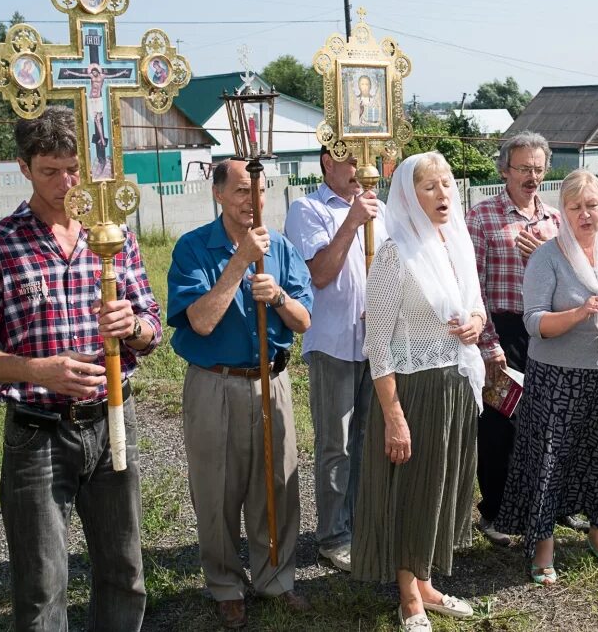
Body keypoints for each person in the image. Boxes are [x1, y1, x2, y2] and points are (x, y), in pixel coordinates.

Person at [0, 105, 162, 631]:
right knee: (43, 583)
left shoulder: (112, 235)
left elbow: (152, 327)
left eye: (74, 168)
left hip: (113, 420)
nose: (67, 182)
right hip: (38, 433)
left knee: (125, 568)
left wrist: (131, 326)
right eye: (51, 170)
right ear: (24, 167)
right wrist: (37, 370)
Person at [166, 159, 314, 628]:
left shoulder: (284, 249)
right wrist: (240, 262)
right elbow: (202, 321)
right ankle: (226, 583)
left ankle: (275, 578)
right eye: (241, 191)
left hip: (273, 381)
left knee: (277, 484)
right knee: (217, 488)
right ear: (218, 195)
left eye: (260, 190)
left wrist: (280, 299)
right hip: (216, 384)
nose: (252, 201)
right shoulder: (193, 249)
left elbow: (304, 320)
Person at [494, 169, 598, 583]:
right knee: (551, 459)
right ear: (562, 212)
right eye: (575, 207)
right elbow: (533, 323)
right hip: (557, 379)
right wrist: (579, 313)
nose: (585, 214)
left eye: (592, 205)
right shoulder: (548, 257)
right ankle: (542, 546)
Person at [353, 152, 486, 632]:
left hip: (455, 384)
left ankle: (427, 582)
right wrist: (393, 415)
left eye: (447, 184)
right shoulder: (395, 254)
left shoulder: (457, 244)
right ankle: (408, 596)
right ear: (410, 196)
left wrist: (474, 324)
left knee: (442, 486)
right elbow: (377, 343)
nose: (442, 194)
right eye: (429, 187)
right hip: (414, 388)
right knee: (411, 490)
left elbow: (477, 308)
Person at [465, 131, 586, 546]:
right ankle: (497, 512)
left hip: (552, 331)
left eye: (538, 168)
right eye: (523, 169)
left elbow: (576, 282)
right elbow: (470, 286)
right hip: (503, 331)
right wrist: (487, 342)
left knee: (556, 421)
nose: (532, 177)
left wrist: (546, 257)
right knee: (501, 425)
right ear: (504, 170)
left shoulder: (556, 221)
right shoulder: (481, 217)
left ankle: (557, 504)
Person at [284, 148, 387, 573]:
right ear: (328, 161)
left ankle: (361, 524)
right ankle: (333, 535)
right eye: (352, 161)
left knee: (370, 441)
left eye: (372, 161)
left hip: (378, 344)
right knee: (337, 443)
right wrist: (351, 222)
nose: (364, 171)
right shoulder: (306, 210)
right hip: (332, 343)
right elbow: (319, 274)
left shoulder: (382, 210)